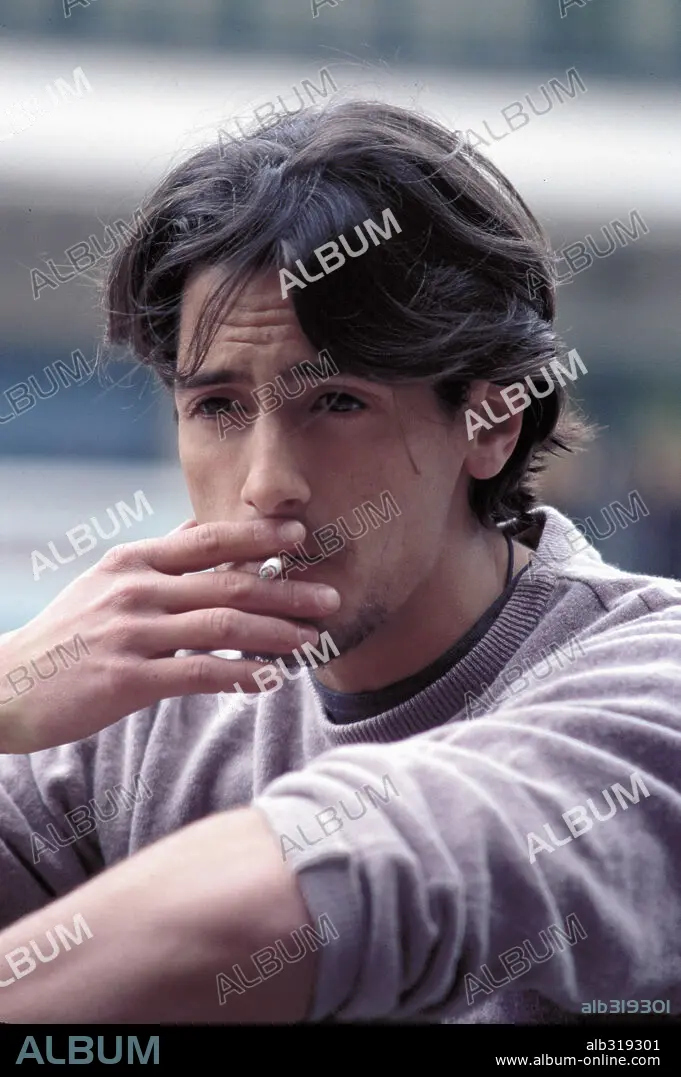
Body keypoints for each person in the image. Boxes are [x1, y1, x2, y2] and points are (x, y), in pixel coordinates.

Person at [0, 99, 679, 1025]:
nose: (266, 484)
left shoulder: (646, 677)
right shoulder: (141, 712)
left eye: (338, 403)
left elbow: (318, 891)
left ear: (491, 424)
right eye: (218, 408)